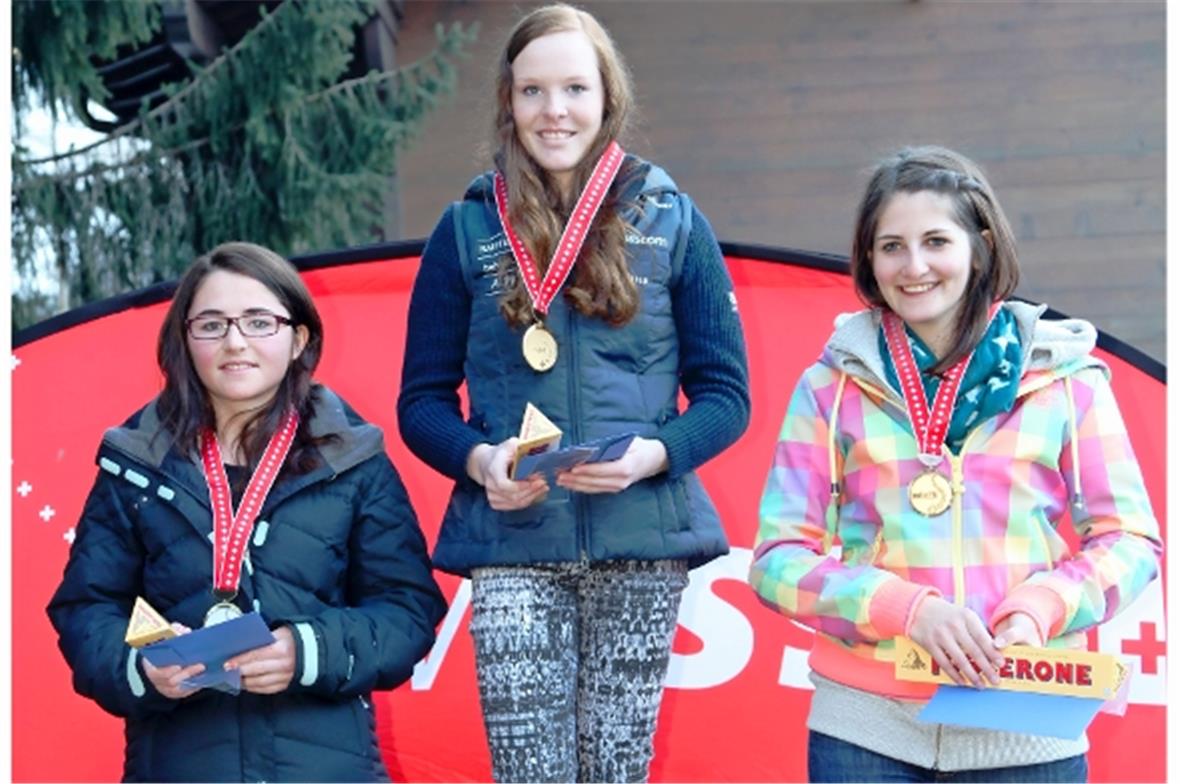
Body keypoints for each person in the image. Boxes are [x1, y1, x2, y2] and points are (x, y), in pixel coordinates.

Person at [397, 5, 750, 782]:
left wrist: (654, 456)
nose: (554, 111)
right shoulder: (464, 230)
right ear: (509, 103)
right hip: (512, 548)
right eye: (533, 92)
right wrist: (481, 460)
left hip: (640, 544)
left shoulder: (675, 221)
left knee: (615, 773)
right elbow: (421, 404)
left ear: (606, 97)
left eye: (574, 89)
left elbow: (727, 396)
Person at [748, 145, 1162, 783]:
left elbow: (1131, 540)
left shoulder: (1065, 379)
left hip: (1026, 727)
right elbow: (777, 560)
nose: (913, 267)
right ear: (869, 258)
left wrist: (1041, 607)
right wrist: (905, 609)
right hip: (865, 731)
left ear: (981, 244)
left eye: (935, 241)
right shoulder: (828, 387)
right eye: (891, 247)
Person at [48, 242, 447, 782]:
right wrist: (141, 670)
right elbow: (85, 610)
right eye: (211, 325)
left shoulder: (353, 461)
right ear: (184, 340)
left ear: (298, 337)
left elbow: (409, 610)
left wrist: (307, 651)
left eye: (259, 322)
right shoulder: (134, 465)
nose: (235, 342)